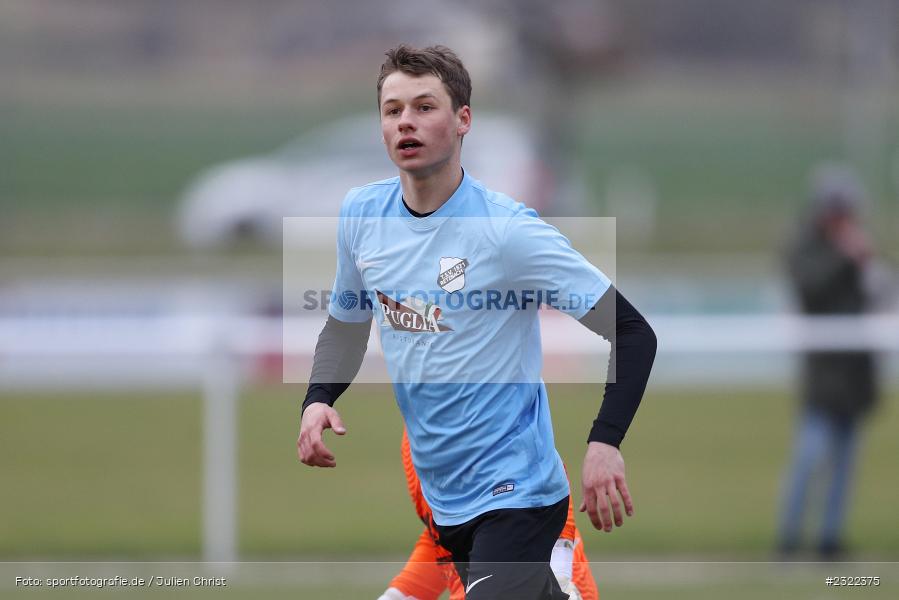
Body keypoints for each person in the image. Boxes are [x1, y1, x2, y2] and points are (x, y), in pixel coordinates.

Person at [298, 44, 656, 599]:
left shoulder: (507, 231)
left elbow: (632, 331)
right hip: (444, 502)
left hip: (520, 496)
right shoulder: (362, 216)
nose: (406, 122)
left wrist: (604, 443)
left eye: (424, 106)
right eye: (393, 111)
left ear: (463, 119)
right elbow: (347, 323)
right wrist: (319, 395)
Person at [777, 164, 881, 560]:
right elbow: (810, 288)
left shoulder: (859, 249)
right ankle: (788, 539)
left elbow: (875, 295)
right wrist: (846, 258)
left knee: (844, 466)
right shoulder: (810, 247)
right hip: (823, 376)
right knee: (809, 458)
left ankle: (829, 539)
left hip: (855, 376)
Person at [378, 429, 599, 600]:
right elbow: (440, 538)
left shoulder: (471, 411)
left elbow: (543, 478)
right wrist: (399, 593)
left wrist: (562, 574)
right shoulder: (414, 443)